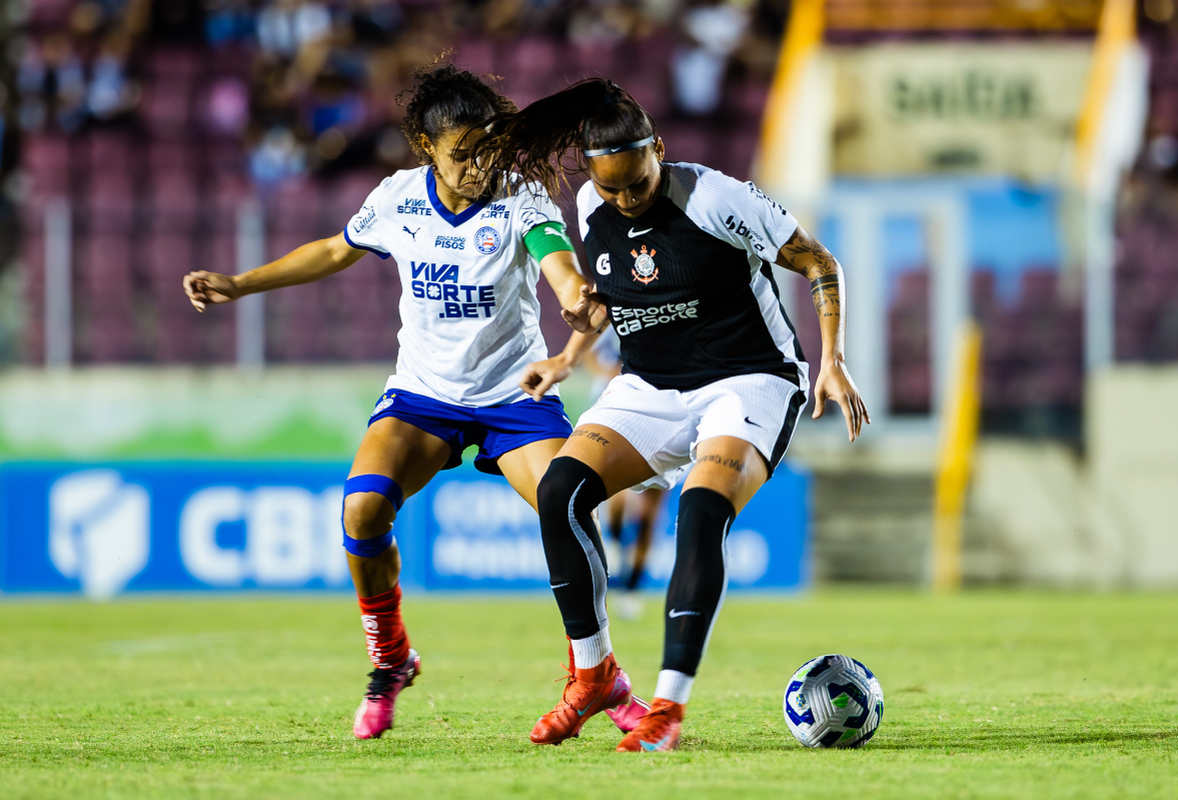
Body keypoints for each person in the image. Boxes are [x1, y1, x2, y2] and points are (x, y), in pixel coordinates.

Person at [182, 66, 643, 741]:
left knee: (567, 504)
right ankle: (392, 658)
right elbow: (333, 251)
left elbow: (558, 263)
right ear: (426, 147)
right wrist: (240, 283)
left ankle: (599, 672)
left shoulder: (519, 195)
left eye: (488, 148)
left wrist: (577, 299)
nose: (478, 166)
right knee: (362, 509)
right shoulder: (398, 198)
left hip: (514, 395)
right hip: (424, 396)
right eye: (463, 154)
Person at [474, 78, 870, 752]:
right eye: (612, 189)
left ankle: (667, 708)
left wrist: (832, 359)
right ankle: (594, 676)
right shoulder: (592, 205)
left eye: (637, 183)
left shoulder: (716, 197)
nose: (626, 199)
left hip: (747, 380)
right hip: (651, 385)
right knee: (560, 491)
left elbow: (817, 261)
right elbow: (617, 296)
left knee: (700, 510)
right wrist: (569, 355)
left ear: (658, 148)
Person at [581, 327, 666, 620]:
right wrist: (608, 374)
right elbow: (586, 349)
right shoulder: (612, 317)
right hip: (617, 413)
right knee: (616, 498)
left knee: (647, 517)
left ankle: (633, 587)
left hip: (661, 414)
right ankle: (615, 549)